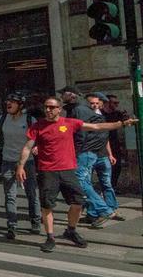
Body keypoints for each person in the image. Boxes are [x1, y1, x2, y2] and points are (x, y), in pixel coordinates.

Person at [16, 96, 137, 253]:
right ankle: (50, 237)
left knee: (78, 202)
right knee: (47, 206)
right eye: (46, 107)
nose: (48, 110)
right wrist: (20, 166)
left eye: (52, 107)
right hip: (47, 171)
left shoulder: (69, 123)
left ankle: (71, 230)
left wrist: (121, 124)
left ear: (59, 109)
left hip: (68, 170)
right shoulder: (38, 126)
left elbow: (97, 127)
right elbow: (27, 147)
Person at [0, 92, 41, 239]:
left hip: (27, 162)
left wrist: (37, 147)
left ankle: (35, 222)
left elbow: (39, 138)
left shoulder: (30, 120)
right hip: (8, 161)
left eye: (12, 102)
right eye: (7, 102)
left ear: (21, 105)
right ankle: (12, 226)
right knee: (10, 195)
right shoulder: (2, 118)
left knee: (31, 193)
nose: (8, 104)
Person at [58, 86, 114, 227]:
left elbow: (80, 133)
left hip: (85, 151)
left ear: (71, 95)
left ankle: (103, 209)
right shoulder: (76, 109)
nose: (61, 97)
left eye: (63, 94)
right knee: (85, 181)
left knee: (80, 181)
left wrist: (76, 151)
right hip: (88, 151)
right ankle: (94, 213)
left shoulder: (78, 110)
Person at [84, 92, 120, 228]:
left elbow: (105, 139)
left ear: (101, 104)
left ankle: (111, 209)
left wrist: (110, 154)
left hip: (103, 156)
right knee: (88, 185)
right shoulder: (86, 118)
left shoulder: (103, 118)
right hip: (89, 155)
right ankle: (94, 213)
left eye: (97, 103)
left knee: (107, 184)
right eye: (92, 103)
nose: (94, 105)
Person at [103, 93, 129, 202]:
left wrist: (126, 118)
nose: (117, 105)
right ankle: (106, 188)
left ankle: (113, 186)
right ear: (108, 103)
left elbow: (126, 122)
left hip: (115, 143)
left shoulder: (117, 114)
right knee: (105, 167)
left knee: (117, 166)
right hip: (103, 143)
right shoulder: (101, 115)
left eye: (117, 103)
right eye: (115, 103)